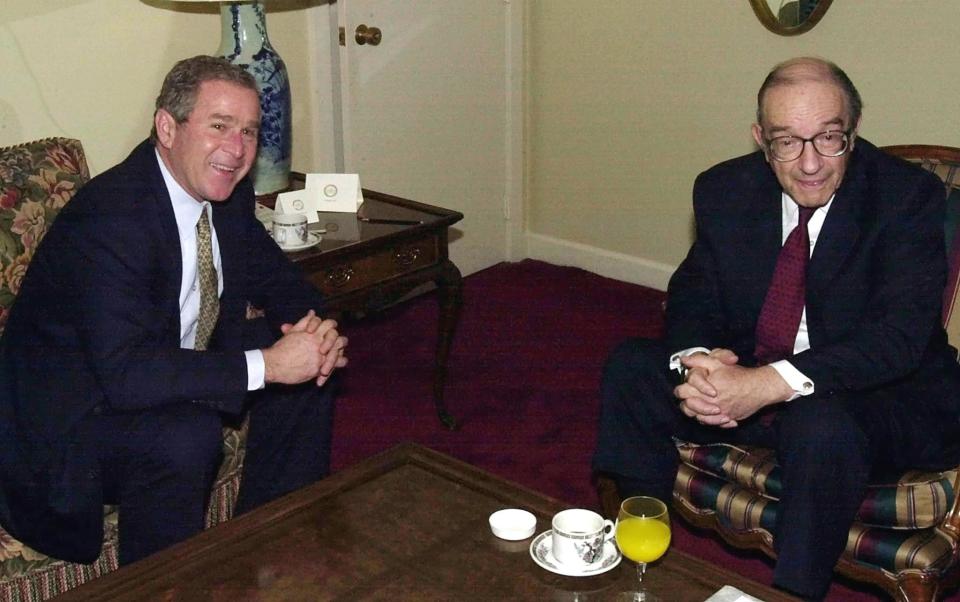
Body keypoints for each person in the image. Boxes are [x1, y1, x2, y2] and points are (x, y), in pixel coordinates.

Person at [592, 57, 960, 600]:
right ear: (761, 139)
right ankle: (642, 547)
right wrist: (700, 363)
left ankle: (794, 591)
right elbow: (695, 289)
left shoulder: (906, 199)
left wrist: (765, 384)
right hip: (757, 376)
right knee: (633, 367)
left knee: (819, 422)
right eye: (788, 142)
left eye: (828, 138)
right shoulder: (724, 189)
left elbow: (896, 339)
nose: (810, 163)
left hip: (880, 397)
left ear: (852, 133)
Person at [0, 55, 347, 566]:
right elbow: (126, 376)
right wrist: (270, 364)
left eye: (249, 132)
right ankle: (165, 588)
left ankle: (271, 552)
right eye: (220, 127)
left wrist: (316, 334)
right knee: (186, 435)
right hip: (72, 415)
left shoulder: (224, 195)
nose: (237, 149)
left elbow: (283, 282)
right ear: (168, 126)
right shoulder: (112, 219)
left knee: (309, 371)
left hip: (155, 363)